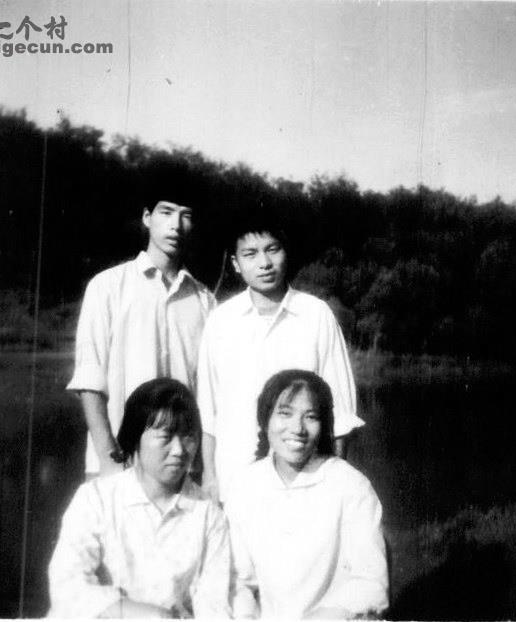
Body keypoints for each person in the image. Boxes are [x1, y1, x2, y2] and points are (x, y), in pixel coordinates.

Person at [197, 213, 363, 501]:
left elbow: (341, 413)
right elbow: (208, 411)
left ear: (286, 252)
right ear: (235, 263)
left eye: (272, 250)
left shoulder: (316, 315)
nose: (264, 263)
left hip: (305, 482)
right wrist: (210, 477)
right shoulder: (220, 321)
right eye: (250, 254)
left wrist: (334, 483)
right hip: (234, 481)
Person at [48, 378, 231, 618]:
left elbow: (214, 605)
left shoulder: (209, 516)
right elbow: (68, 587)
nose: (179, 450)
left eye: (188, 436)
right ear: (135, 437)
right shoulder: (96, 500)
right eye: (166, 436)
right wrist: (151, 615)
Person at [67, 190, 214, 478]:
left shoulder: (205, 299)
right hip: (119, 462)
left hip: (180, 465)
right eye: (166, 212)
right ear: (147, 217)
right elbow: (89, 378)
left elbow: (209, 393)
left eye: (185, 216)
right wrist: (109, 458)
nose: (176, 225)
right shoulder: (107, 286)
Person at [226, 369, 388, 619]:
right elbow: (238, 581)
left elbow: (371, 584)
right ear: (265, 419)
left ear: (324, 426)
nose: (297, 428)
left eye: (310, 417)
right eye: (285, 413)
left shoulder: (350, 486)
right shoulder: (245, 486)